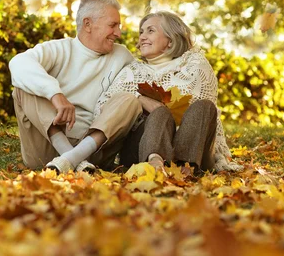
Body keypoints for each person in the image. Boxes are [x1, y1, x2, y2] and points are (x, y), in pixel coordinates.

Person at [9, 0, 142, 173]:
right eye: (113, 25)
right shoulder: (59, 49)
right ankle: (73, 160)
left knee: (130, 100)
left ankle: (71, 159)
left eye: (118, 26)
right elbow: (18, 63)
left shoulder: (122, 56)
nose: (118, 33)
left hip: (95, 150)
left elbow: (145, 81)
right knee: (23, 87)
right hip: (45, 150)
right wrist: (56, 95)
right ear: (87, 24)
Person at [95, 11, 241, 173]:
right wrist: (140, 100)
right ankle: (155, 162)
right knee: (159, 114)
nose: (142, 36)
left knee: (204, 107)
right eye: (141, 32)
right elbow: (106, 108)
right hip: (140, 153)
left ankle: (185, 167)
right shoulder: (131, 72)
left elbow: (203, 118)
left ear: (170, 41)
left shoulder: (195, 64)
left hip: (195, 150)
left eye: (150, 30)